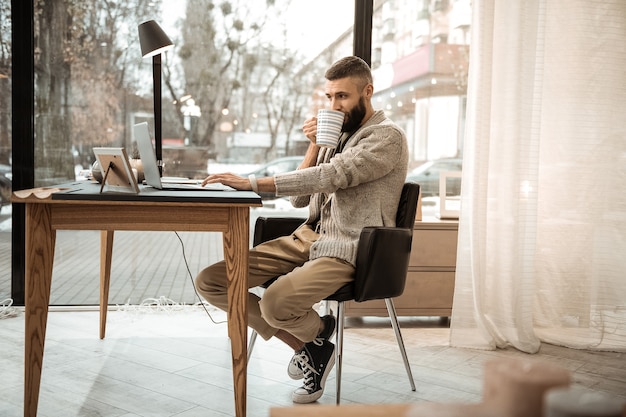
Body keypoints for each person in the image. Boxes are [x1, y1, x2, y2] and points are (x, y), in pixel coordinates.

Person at [196, 55, 409, 404]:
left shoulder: (386, 138)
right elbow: (302, 201)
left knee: (276, 303)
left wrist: (251, 182)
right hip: (306, 239)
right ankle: (315, 345)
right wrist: (316, 144)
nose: (334, 104)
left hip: (350, 247)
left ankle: (317, 339)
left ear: (367, 92)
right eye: (329, 97)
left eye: (342, 96)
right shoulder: (337, 135)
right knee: (214, 281)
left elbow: (332, 176)